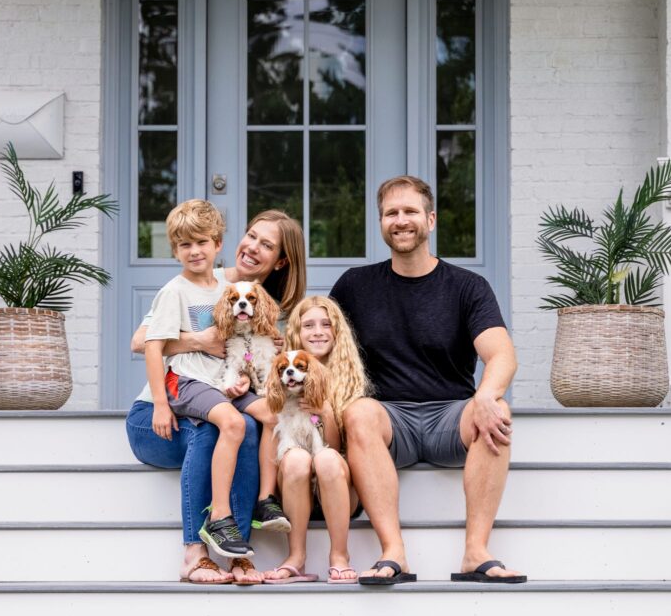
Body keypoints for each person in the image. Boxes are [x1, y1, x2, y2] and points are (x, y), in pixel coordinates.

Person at [330, 175, 527, 585]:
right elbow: (319, 346)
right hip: (389, 421)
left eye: (410, 212)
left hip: (449, 418)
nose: (400, 221)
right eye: (391, 213)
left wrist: (488, 395)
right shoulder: (355, 285)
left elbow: (501, 354)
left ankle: (476, 552)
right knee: (360, 412)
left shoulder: (467, 286)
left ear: (430, 220)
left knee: (498, 408)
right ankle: (393, 553)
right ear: (381, 222)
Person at [126, 209, 306, 585]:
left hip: (218, 391)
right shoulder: (201, 281)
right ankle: (195, 550)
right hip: (167, 406)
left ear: (281, 261)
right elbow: (142, 342)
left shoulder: (269, 309)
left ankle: (237, 549)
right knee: (210, 428)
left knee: (253, 426)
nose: (252, 247)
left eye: (266, 244)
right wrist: (201, 340)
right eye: (252, 235)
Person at [261, 297, 369, 585]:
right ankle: (296, 557)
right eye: (308, 325)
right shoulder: (281, 374)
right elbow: (271, 436)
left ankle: (339, 555)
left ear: (337, 332)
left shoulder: (350, 378)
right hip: (295, 485)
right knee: (296, 458)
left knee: (325, 458)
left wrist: (326, 412)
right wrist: (266, 497)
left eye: (326, 324)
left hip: (338, 484)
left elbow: (335, 445)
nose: (318, 331)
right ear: (297, 331)